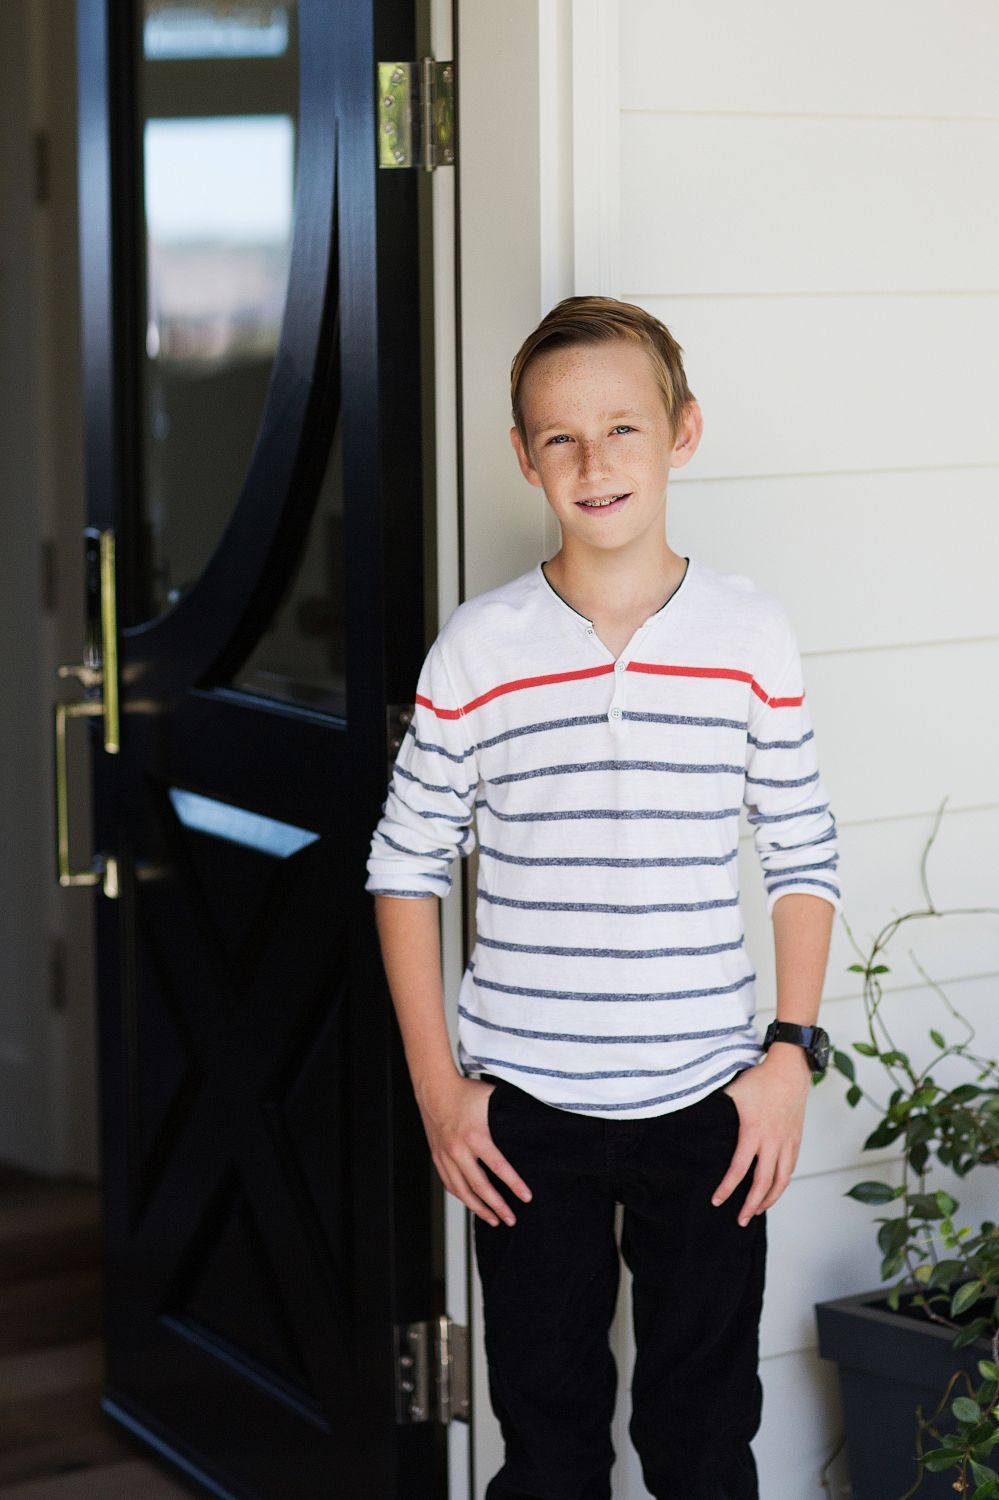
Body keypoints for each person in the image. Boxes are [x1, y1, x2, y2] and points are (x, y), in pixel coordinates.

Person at [365, 296, 839, 1500]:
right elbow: (404, 865)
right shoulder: (478, 649)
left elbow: (803, 852)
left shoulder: (749, 635)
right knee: (551, 1444)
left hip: (711, 1111)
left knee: (701, 1438)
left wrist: (787, 1056)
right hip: (524, 1120)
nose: (594, 461)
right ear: (525, 457)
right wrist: (440, 1092)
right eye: (561, 438)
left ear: (682, 432)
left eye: (622, 428)